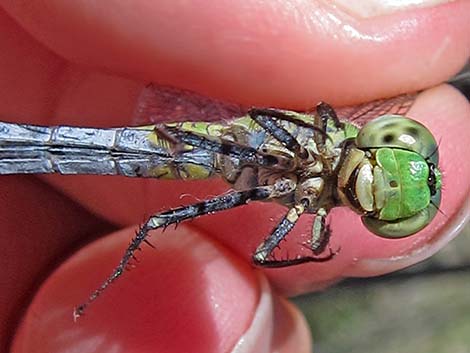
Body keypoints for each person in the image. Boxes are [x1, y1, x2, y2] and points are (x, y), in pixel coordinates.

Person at [1, 1, 469, 352]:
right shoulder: (328, 133)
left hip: (208, 160)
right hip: (207, 141)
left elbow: (268, 251)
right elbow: (289, 113)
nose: (383, 183)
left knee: (153, 217)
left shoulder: (314, 205)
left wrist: (306, 245)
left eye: (393, 211)